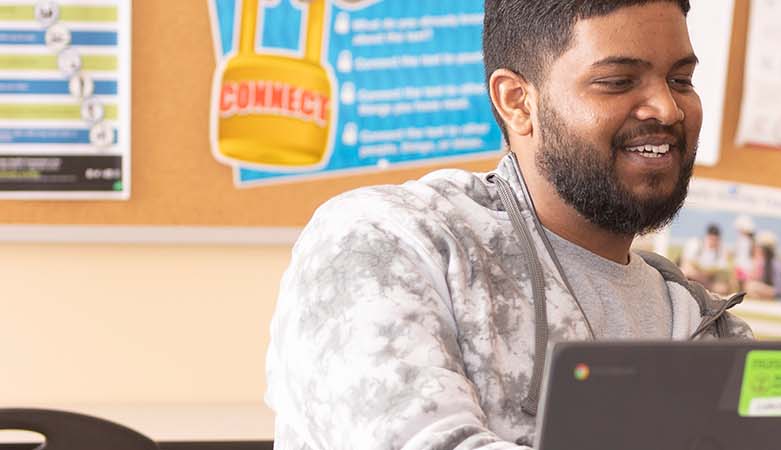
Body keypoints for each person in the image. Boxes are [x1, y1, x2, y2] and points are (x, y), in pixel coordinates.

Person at [265, 1, 752, 449]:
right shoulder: (389, 242)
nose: (667, 109)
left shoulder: (707, 324)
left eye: (680, 80)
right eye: (619, 82)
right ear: (517, 101)